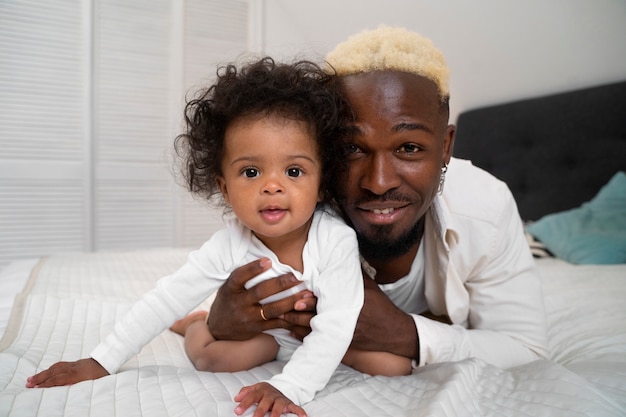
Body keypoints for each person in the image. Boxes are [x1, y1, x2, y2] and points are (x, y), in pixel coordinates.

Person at [25, 57, 405, 417]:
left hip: (320, 336)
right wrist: (101, 359)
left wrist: (292, 386)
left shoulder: (335, 240)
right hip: (272, 337)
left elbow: (337, 324)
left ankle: (278, 351)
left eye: (293, 171)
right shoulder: (230, 244)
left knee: (395, 366)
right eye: (251, 172)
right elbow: (166, 298)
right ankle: (196, 326)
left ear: (322, 184)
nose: (272, 186)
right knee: (213, 360)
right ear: (224, 189)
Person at [204, 26, 549, 370]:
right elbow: (230, 285)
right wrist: (218, 322)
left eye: (409, 148)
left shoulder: (484, 208)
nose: (379, 182)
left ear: (445, 147)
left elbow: (526, 348)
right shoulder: (292, 201)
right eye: (352, 149)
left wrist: (405, 333)